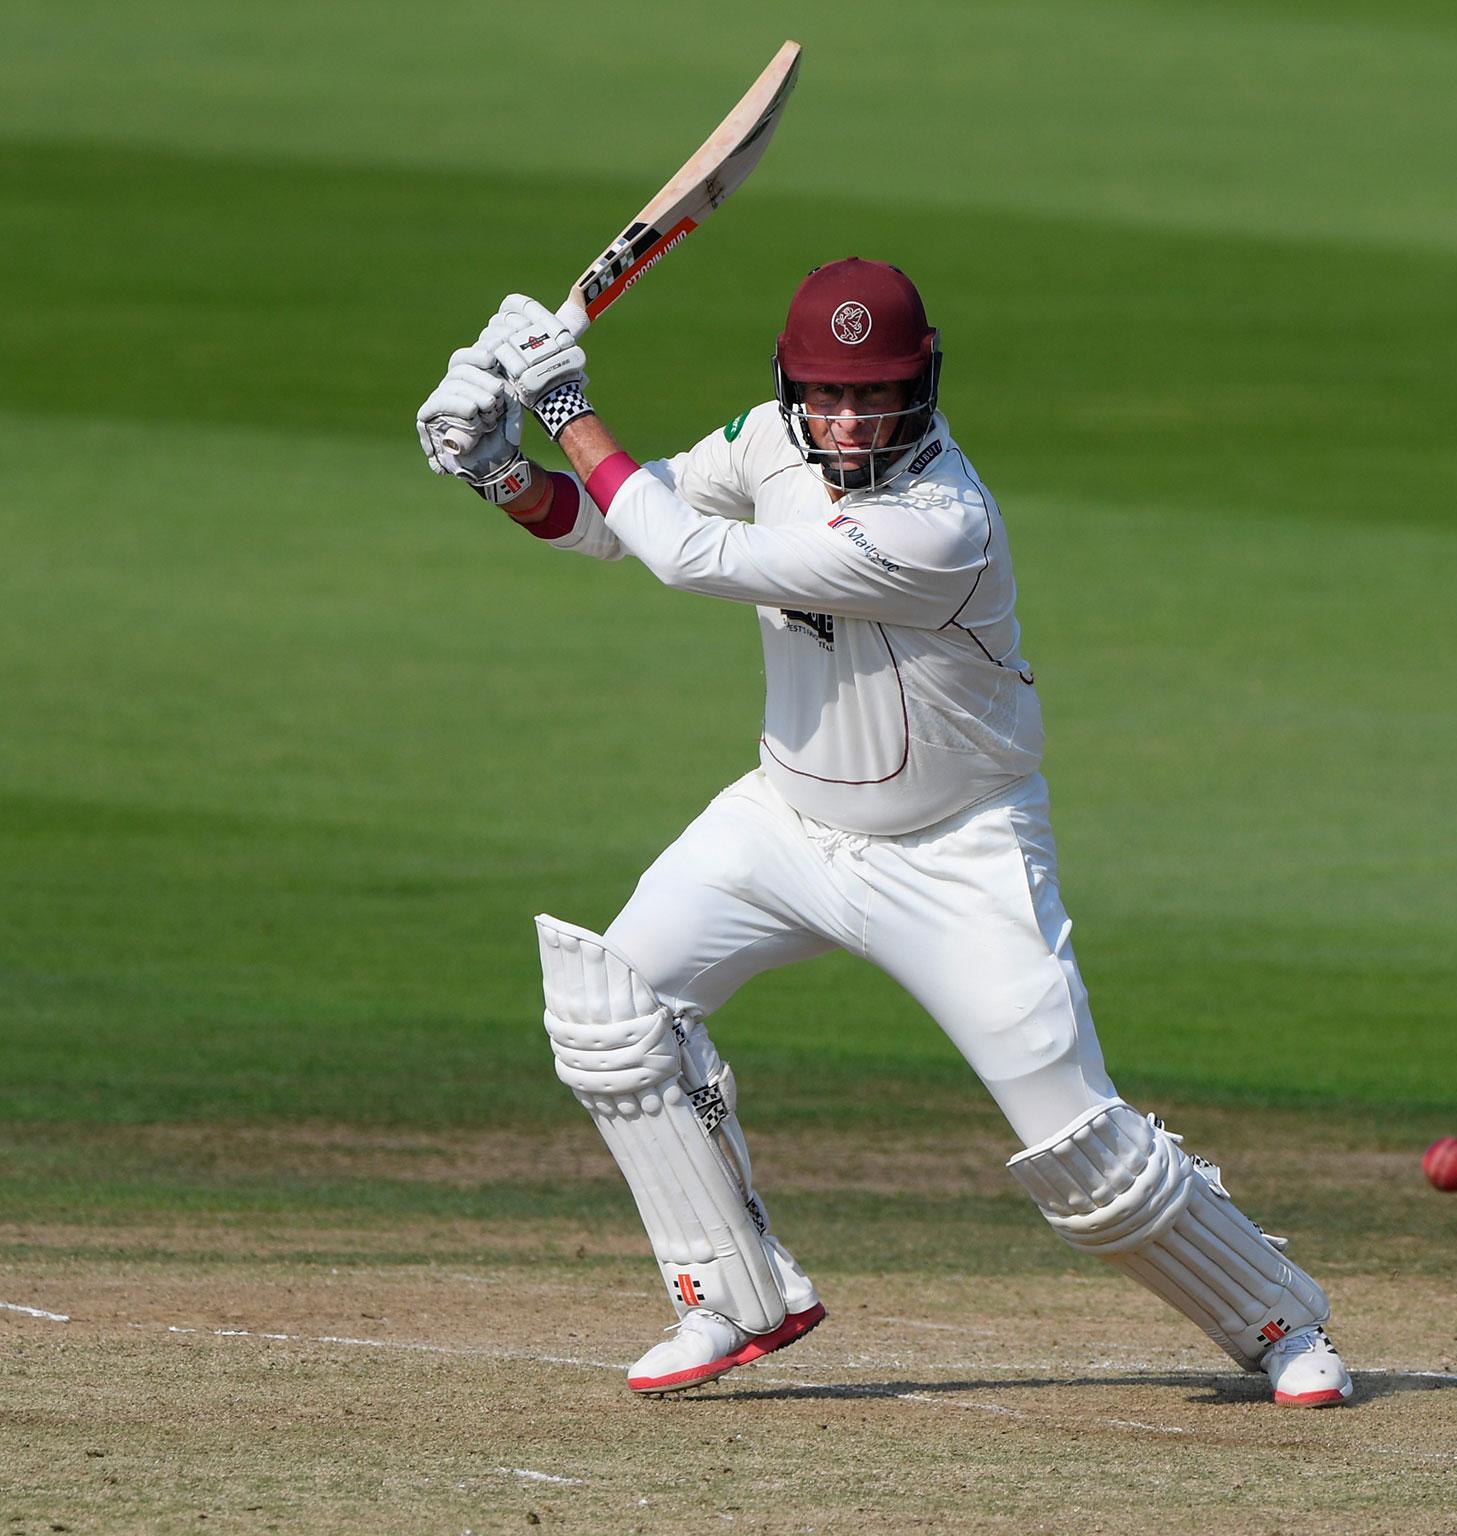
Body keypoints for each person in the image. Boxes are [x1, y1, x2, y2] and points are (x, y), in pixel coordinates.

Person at [413, 259, 1354, 1407]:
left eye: (874, 393)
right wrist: (500, 469)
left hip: (956, 850)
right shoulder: (766, 438)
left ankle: (1278, 1321)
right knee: (608, 1006)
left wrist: (562, 403)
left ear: (922, 384)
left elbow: (684, 556)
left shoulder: (939, 523)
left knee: (1081, 1159)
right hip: (784, 822)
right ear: (789, 382)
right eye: (825, 392)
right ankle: (733, 1294)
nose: (847, 416)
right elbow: (620, 522)